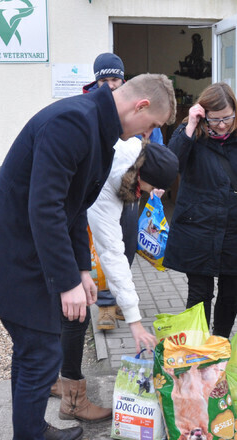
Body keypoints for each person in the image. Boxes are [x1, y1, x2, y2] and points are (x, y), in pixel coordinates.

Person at [0, 74, 176, 440]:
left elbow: (74, 208)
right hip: (10, 255)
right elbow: (45, 205)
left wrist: (82, 271)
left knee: (33, 352)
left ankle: (33, 432)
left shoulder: (96, 129)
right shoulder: (74, 122)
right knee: (41, 354)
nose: (144, 137)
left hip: (27, 253)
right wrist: (66, 281)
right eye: (148, 128)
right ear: (140, 106)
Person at [50, 139, 179, 422]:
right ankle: (71, 401)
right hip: (42, 231)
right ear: (141, 177)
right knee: (75, 313)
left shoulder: (125, 155)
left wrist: (84, 273)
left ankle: (50, 380)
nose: (144, 195)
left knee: (57, 312)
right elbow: (112, 251)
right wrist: (134, 321)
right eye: (147, 190)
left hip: (62, 227)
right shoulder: (109, 179)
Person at [163, 82, 237, 338]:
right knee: (199, 292)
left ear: (236, 112)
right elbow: (169, 164)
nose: (221, 125)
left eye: (227, 118)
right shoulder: (190, 133)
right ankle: (198, 348)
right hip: (197, 224)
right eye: (215, 120)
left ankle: (219, 343)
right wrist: (189, 126)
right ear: (203, 114)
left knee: (232, 290)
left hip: (235, 226)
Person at [83, 52, 164, 330]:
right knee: (103, 246)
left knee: (127, 244)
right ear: (96, 82)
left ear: (123, 79)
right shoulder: (89, 109)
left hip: (130, 189)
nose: (110, 85)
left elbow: (156, 145)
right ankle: (104, 306)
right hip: (98, 192)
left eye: (114, 79)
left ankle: (119, 297)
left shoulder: (138, 108)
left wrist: (156, 180)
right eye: (103, 80)